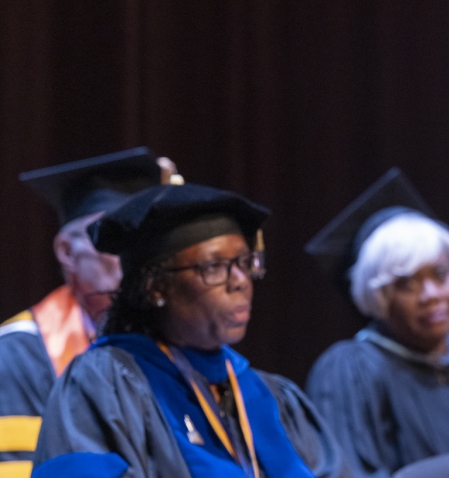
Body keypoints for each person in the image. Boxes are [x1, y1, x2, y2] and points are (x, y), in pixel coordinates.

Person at [31, 183, 347, 478]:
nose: (240, 281)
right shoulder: (105, 384)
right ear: (155, 286)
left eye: (244, 262)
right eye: (213, 267)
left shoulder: (270, 396)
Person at [0, 148, 176, 478]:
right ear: (67, 251)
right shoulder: (15, 356)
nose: (134, 254)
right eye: (113, 236)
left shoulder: (176, 343)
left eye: (145, 237)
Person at [304, 168, 449, 477]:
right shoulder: (351, 370)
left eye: (440, 275)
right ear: (378, 297)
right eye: (407, 284)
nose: (431, 295)